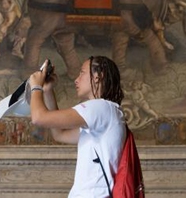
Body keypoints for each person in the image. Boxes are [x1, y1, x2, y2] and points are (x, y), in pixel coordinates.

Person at [29, 56, 126, 197]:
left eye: (82, 73)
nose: (76, 79)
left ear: (98, 76)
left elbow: (38, 118)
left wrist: (36, 86)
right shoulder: (106, 114)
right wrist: (48, 90)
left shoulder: (100, 107)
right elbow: (59, 134)